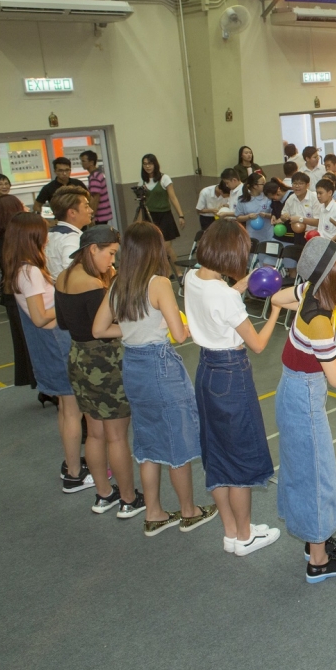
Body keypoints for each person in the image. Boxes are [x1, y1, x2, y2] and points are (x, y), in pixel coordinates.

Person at [94, 221, 217, 536]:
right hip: (160, 366)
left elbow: (99, 329)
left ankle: (154, 513)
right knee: (177, 440)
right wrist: (185, 327)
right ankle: (188, 511)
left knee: (147, 442)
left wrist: (133, 329)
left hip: (133, 366)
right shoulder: (159, 283)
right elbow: (178, 333)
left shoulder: (118, 283)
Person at [269, 237, 336, 582]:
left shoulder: (311, 291)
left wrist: (300, 303)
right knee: (316, 477)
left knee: (303, 470)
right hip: (304, 398)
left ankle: (316, 539)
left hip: (292, 389)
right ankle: (318, 561)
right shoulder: (321, 321)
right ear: (333, 276)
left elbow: (276, 298)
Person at [184, 221, 283, 556]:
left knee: (217, 452)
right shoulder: (225, 296)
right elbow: (257, 344)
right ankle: (245, 537)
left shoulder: (191, 278)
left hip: (206, 370)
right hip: (231, 373)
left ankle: (231, 532)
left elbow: (216, 304)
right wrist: (275, 311)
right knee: (240, 454)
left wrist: (238, 287)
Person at [54, 225, 144, 518]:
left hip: (78, 358)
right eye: (111, 253)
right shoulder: (93, 286)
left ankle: (104, 494)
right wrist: (138, 327)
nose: (113, 261)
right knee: (116, 436)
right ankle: (129, 498)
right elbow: (104, 328)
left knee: (94, 433)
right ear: (93, 249)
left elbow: (63, 323)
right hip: (104, 362)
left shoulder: (63, 277)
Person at [2, 213, 86, 491]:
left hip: (50, 344)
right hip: (56, 344)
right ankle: (74, 474)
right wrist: (66, 306)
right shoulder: (31, 272)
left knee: (65, 408)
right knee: (72, 411)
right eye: (43, 233)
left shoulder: (22, 269)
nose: (47, 237)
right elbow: (40, 317)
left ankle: (71, 462)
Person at [0, 196, 36, 389]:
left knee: (25, 342)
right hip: (19, 294)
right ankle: (41, 381)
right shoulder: (8, 240)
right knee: (30, 341)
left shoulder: (3, 238)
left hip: (13, 294)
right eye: (20, 206)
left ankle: (38, 381)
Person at [139, 154, 187, 272]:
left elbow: (173, 197)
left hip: (164, 215)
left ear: (155, 164)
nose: (147, 166)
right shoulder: (142, 181)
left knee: (166, 247)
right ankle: (165, 272)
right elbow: (141, 203)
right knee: (153, 247)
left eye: (150, 163)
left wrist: (181, 215)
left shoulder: (164, 178)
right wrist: (139, 221)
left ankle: (178, 272)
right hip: (149, 216)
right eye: (145, 164)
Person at [44, 186, 94, 279]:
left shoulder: (49, 234)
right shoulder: (71, 237)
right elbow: (74, 273)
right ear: (72, 213)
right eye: (86, 206)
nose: (91, 210)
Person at [79, 150, 112, 226]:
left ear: (91, 162)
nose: (82, 163)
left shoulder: (95, 177)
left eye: (83, 161)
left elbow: (96, 198)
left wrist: (91, 216)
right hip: (103, 215)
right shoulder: (98, 174)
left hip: (99, 216)